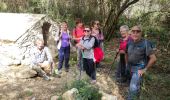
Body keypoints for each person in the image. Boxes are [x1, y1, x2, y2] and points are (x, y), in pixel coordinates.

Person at [126, 25, 156, 100]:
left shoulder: (146, 43)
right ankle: (137, 94)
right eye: (133, 31)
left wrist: (144, 69)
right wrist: (127, 63)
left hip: (139, 68)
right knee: (135, 85)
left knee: (133, 87)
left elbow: (153, 58)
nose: (135, 33)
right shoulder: (129, 42)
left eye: (138, 31)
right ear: (131, 33)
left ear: (141, 33)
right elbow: (126, 53)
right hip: (130, 66)